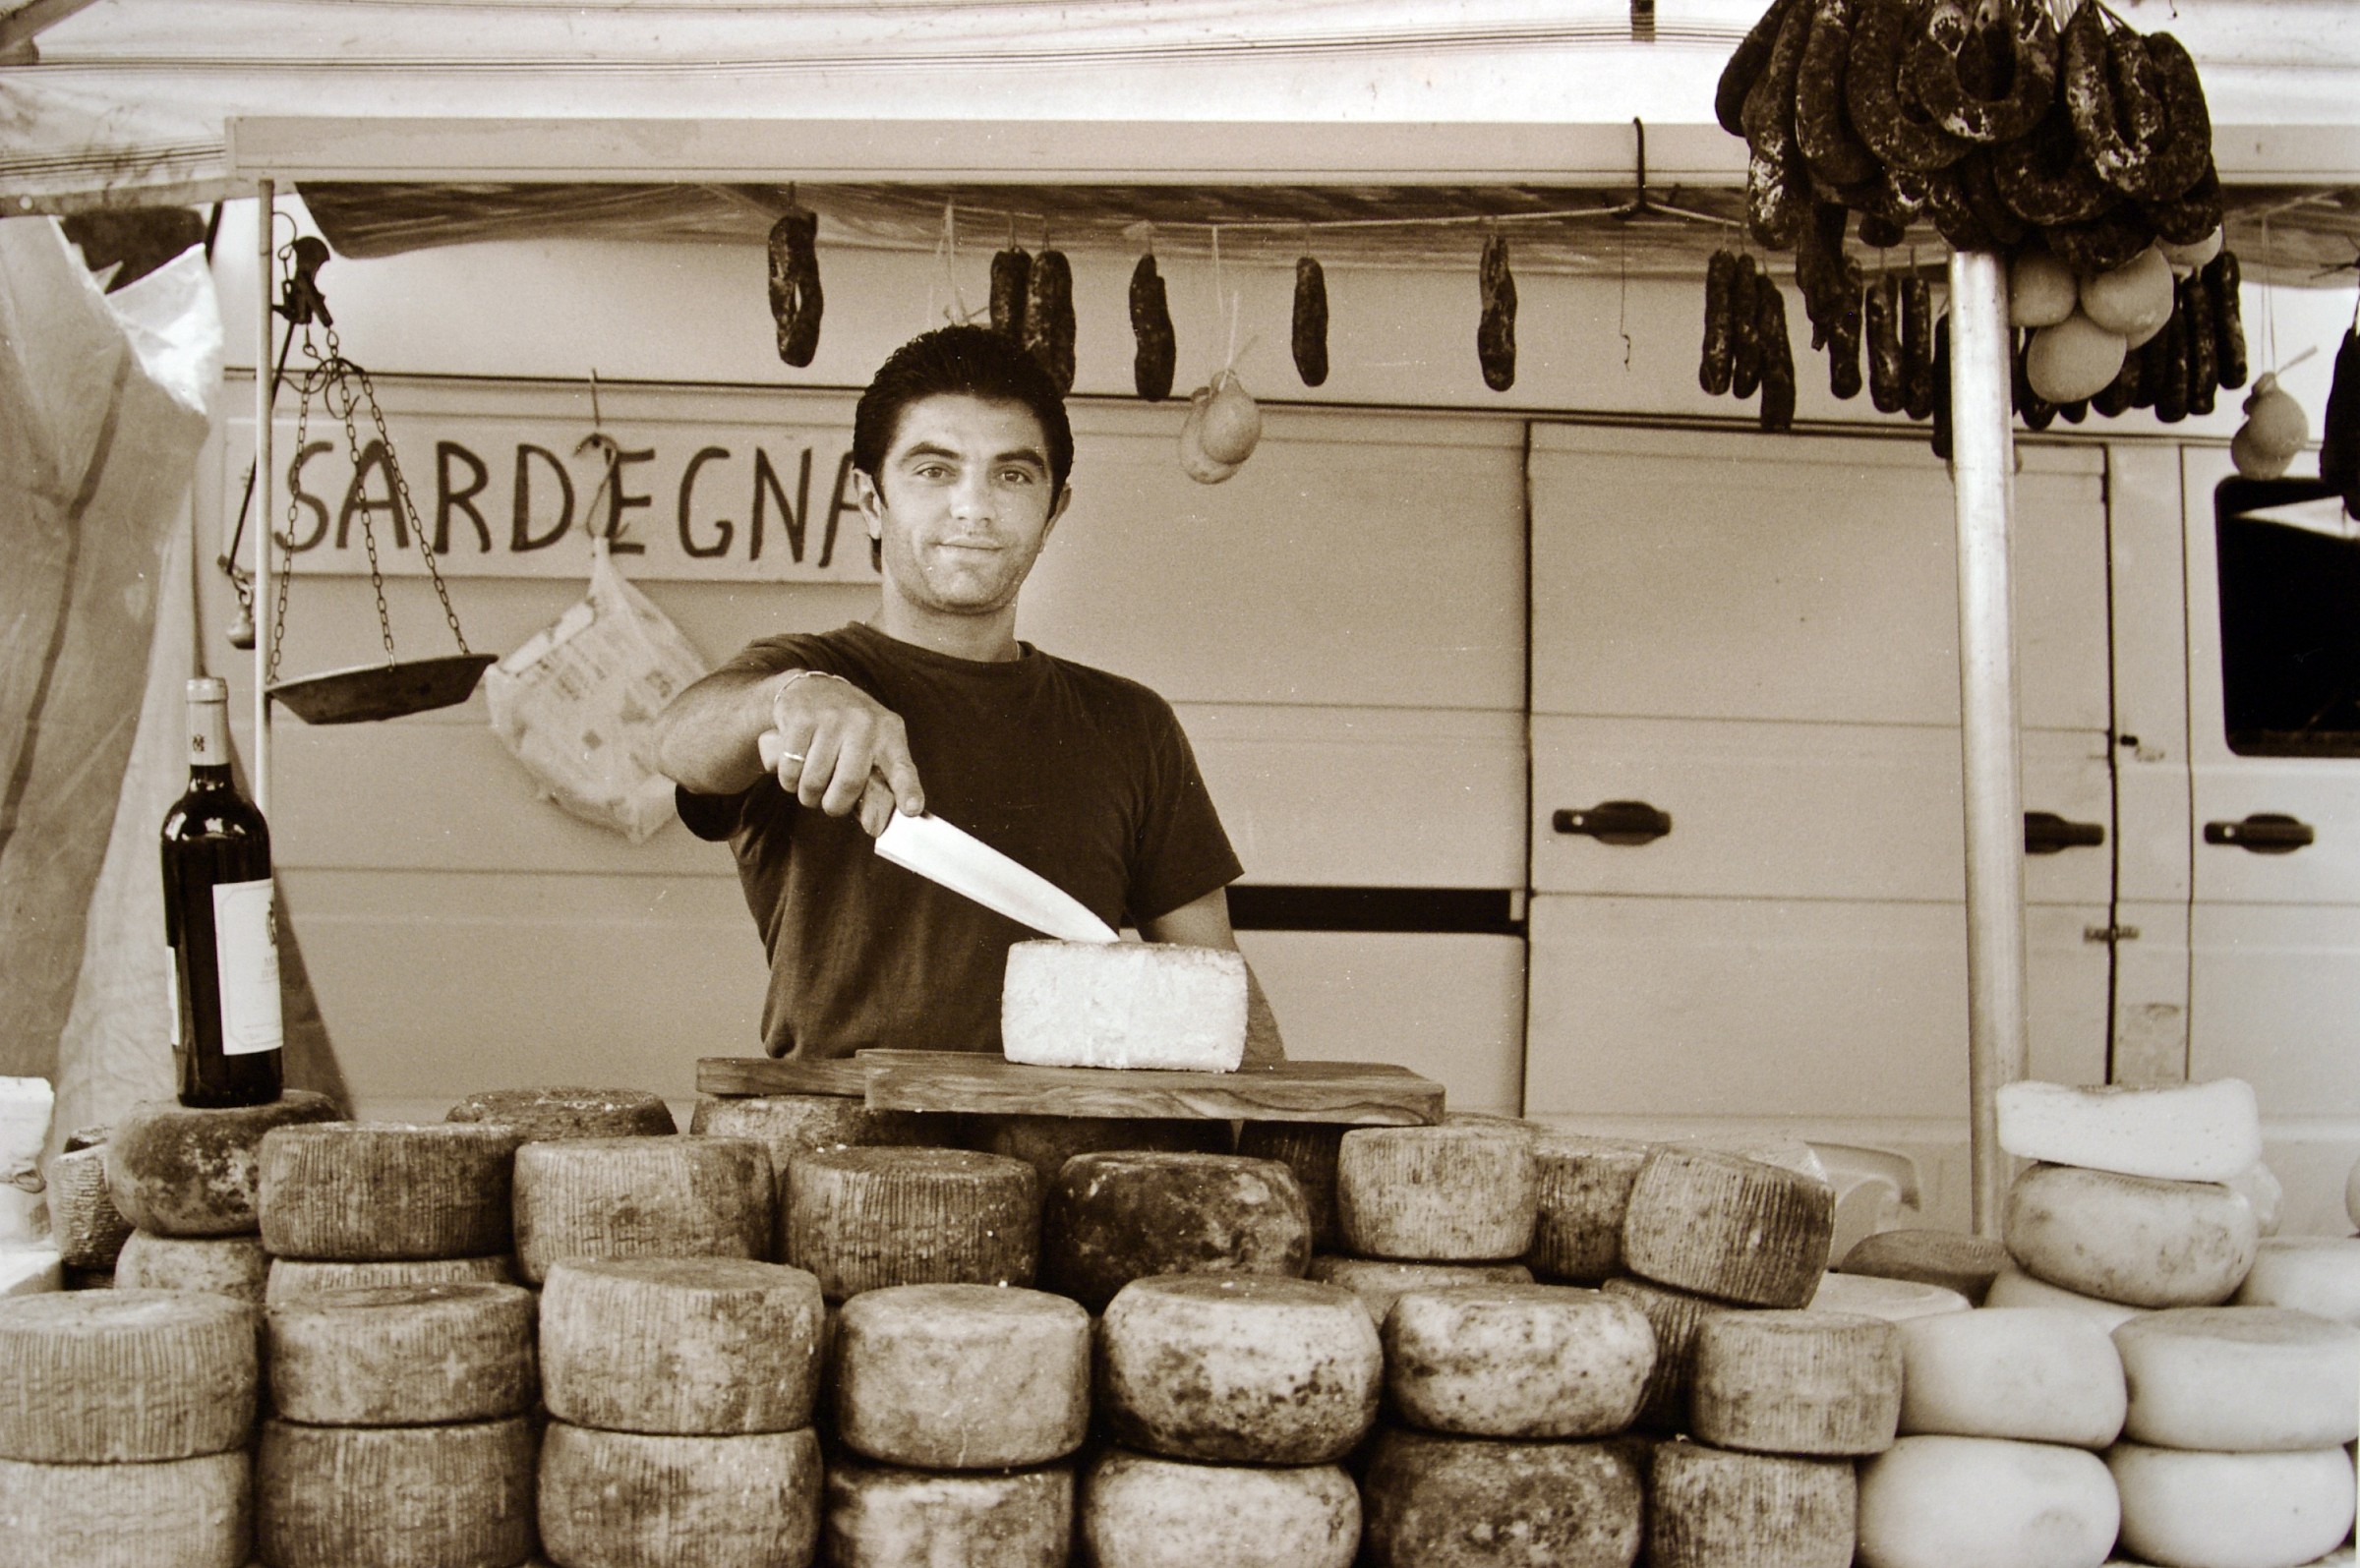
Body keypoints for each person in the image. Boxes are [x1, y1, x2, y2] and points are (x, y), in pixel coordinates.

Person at [653, 324, 1281, 1063]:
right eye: (934, 470)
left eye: (1012, 476)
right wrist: (791, 695)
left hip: (1070, 1160)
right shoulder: (801, 674)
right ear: (870, 499)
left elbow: (1222, 995)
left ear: (1055, 512)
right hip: (846, 1156)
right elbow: (675, 742)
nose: (974, 507)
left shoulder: (1130, 722)